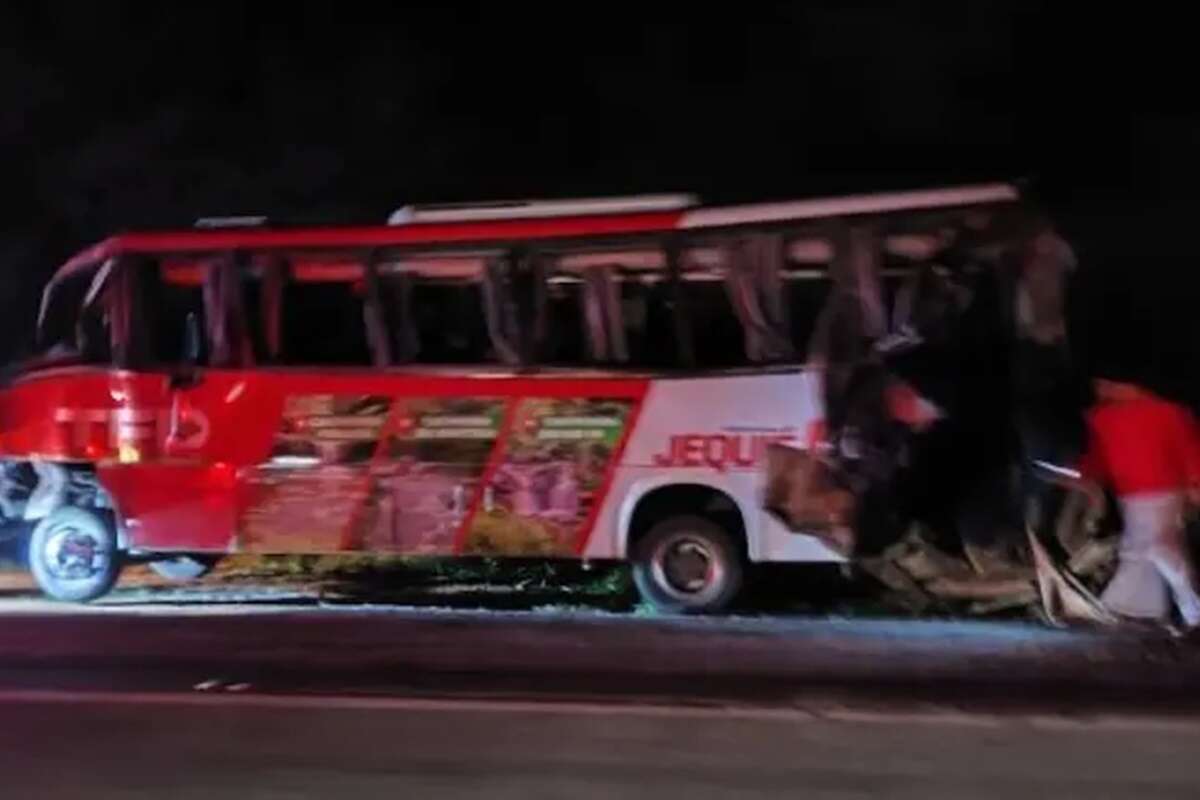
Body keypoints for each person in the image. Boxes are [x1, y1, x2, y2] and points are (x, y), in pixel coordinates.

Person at [1077, 376, 1200, 630]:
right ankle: (1138, 607)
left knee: (1156, 548)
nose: (1101, 389)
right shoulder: (1102, 417)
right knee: (1143, 549)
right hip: (1133, 493)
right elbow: (1098, 455)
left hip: (1162, 490)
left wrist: (1195, 483)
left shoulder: (1166, 411)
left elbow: (1189, 449)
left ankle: (1189, 607)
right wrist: (1085, 474)